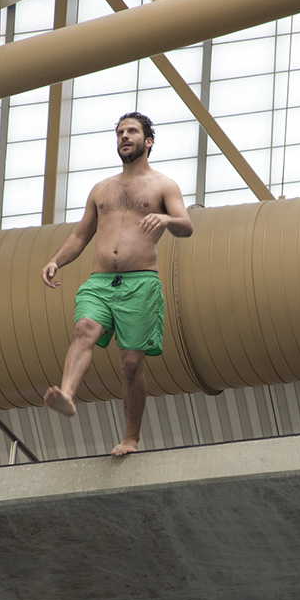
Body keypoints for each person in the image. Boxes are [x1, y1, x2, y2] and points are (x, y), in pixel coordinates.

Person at [41, 112, 193, 456]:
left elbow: (186, 225)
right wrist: (55, 260)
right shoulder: (102, 189)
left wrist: (167, 218)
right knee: (84, 328)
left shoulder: (162, 185)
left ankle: (131, 437)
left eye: (133, 131)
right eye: (121, 132)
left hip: (140, 282)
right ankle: (66, 394)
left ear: (148, 141)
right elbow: (81, 234)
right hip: (100, 281)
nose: (125, 136)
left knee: (130, 363)